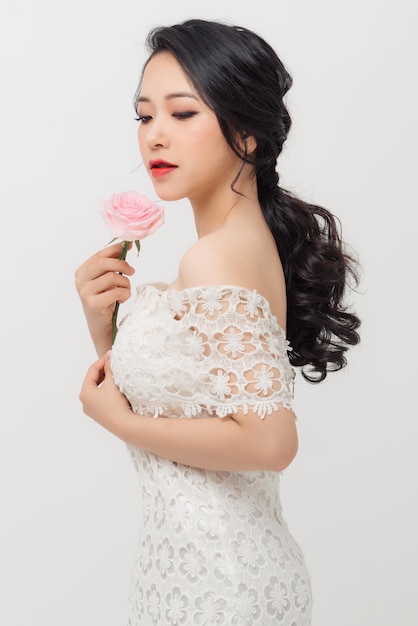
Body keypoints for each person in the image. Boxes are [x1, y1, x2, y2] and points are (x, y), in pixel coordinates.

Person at [76, 18, 360, 625]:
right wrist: (105, 327)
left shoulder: (216, 256)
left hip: (220, 589)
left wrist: (116, 420)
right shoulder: (234, 245)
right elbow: (198, 404)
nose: (154, 136)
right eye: (144, 116)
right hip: (194, 574)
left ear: (248, 135)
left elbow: (269, 442)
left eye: (182, 114)